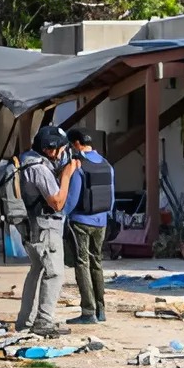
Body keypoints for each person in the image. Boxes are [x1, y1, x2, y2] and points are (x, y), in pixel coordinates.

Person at [16, 125, 79, 338]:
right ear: (50, 149)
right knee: (54, 273)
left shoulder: (26, 160)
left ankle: (25, 321)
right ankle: (43, 321)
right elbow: (57, 202)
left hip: (31, 227)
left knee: (36, 270)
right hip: (45, 228)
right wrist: (67, 175)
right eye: (61, 149)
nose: (62, 153)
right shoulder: (39, 169)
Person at [61, 128, 114, 325]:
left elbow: (72, 197)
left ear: (76, 144)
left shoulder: (78, 165)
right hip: (102, 221)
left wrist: (61, 214)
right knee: (97, 263)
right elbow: (112, 196)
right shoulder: (107, 165)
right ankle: (101, 310)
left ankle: (88, 312)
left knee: (82, 264)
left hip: (81, 222)